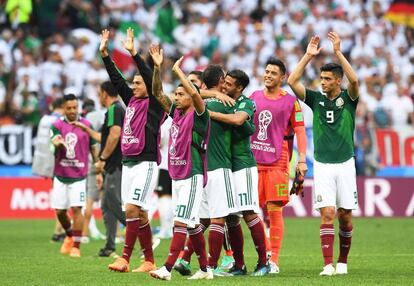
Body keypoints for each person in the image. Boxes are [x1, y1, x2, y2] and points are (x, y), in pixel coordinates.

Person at [287, 32, 359, 276]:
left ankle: (342, 262)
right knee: (327, 213)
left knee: (345, 216)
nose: (322, 82)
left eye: (327, 79)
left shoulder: (349, 100)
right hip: (323, 165)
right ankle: (328, 265)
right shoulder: (316, 99)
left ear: (338, 81)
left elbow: (356, 81)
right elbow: (292, 81)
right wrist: (308, 55)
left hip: (346, 164)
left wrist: (338, 52)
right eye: (321, 78)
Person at [100, 28, 164, 272]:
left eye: (138, 83)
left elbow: (149, 78)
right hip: (128, 162)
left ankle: (125, 258)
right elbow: (117, 80)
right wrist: (106, 55)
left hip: (145, 163)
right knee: (142, 214)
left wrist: (135, 54)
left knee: (131, 209)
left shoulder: (155, 104)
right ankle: (148, 261)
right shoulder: (133, 100)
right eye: (133, 83)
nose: (134, 86)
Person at [148, 45, 211, 281]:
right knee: (192, 224)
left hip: (192, 173)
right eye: (176, 93)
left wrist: (177, 70)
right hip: (178, 173)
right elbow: (157, 92)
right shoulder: (177, 113)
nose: (177, 97)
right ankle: (205, 270)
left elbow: (195, 95)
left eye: (181, 94)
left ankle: (167, 268)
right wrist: (158, 67)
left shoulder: (199, 114)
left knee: (180, 221)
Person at [250, 57, 308, 274]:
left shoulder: (291, 102)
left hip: (278, 160)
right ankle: (263, 256)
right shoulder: (253, 97)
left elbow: (300, 131)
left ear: (282, 77)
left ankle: (273, 259)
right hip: (253, 160)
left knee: (274, 210)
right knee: (252, 211)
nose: (268, 75)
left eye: (273, 73)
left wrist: (301, 160)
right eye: (266, 71)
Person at [209, 69, 269, 276]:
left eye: (229, 84)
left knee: (249, 212)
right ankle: (239, 265)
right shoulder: (221, 99)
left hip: (243, 165)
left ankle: (263, 262)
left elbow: (237, 120)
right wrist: (215, 94)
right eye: (223, 82)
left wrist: (209, 114)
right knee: (232, 218)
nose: (224, 86)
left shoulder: (246, 103)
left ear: (240, 88)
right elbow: (195, 92)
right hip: (225, 165)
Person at [72, 81, 126, 257]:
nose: (98, 96)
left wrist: (102, 159)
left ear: (104, 93)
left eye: (99, 93)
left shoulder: (114, 110)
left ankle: (143, 233)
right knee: (105, 205)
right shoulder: (115, 110)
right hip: (113, 164)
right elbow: (104, 137)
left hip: (115, 163)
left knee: (112, 201)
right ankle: (110, 246)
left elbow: (114, 135)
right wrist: (86, 129)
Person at [50, 93, 99, 258]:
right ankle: (70, 235)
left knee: (77, 209)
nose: (72, 111)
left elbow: (93, 148)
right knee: (60, 212)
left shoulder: (86, 124)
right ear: (63, 108)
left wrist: (98, 168)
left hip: (79, 175)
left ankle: (76, 246)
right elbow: (54, 141)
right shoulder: (56, 125)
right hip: (61, 175)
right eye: (69, 108)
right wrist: (57, 143)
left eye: (74, 107)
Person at [32, 97, 65, 242]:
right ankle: (59, 230)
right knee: (62, 198)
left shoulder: (44, 120)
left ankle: (61, 229)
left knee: (59, 196)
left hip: (47, 163)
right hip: (60, 163)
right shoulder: (60, 122)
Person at [80, 99, 105, 243]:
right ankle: (114, 234)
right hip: (103, 160)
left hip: (89, 161)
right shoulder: (102, 115)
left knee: (89, 199)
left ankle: (84, 232)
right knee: (108, 199)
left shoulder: (84, 120)